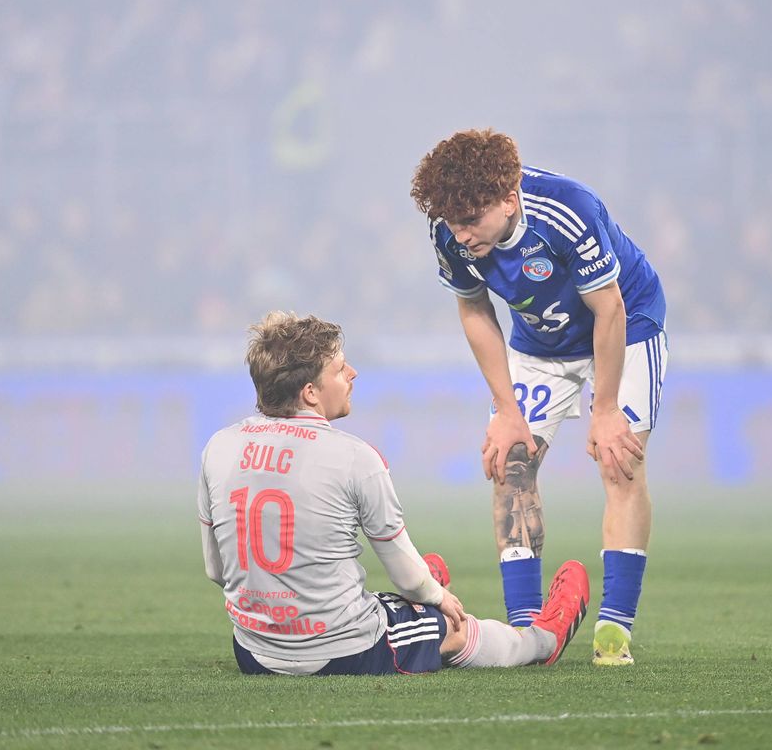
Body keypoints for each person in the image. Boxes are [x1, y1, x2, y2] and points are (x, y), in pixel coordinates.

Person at [197, 311, 590, 675]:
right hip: (342, 650)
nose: (352, 373)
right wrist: (434, 596)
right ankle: (541, 641)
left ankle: (414, 602)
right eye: (338, 368)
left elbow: (216, 570)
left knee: (403, 591)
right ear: (311, 392)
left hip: (253, 651)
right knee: (448, 627)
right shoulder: (355, 457)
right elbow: (405, 574)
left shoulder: (219, 446)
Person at [410, 129, 667, 667]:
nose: (461, 235)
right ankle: (527, 631)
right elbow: (475, 310)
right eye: (452, 224)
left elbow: (610, 308)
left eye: (471, 222)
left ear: (509, 199)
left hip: (626, 324)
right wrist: (506, 411)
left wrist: (605, 408)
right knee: (510, 465)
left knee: (619, 463)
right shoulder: (449, 230)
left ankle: (614, 632)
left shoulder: (568, 210)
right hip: (539, 342)